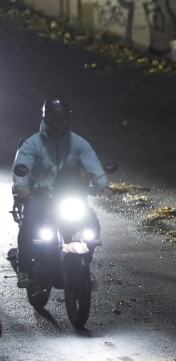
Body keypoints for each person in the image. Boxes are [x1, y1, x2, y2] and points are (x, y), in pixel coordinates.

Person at [12, 97, 109, 287]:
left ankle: (84, 265)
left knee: (92, 225)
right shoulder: (33, 144)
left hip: (69, 196)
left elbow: (93, 165)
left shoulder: (78, 143)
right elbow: (22, 166)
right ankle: (24, 269)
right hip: (41, 195)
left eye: (64, 116)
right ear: (46, 117)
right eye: (55, 116)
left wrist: (102, 184)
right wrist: (22, 187)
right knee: (29, 224)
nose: (60, 120)